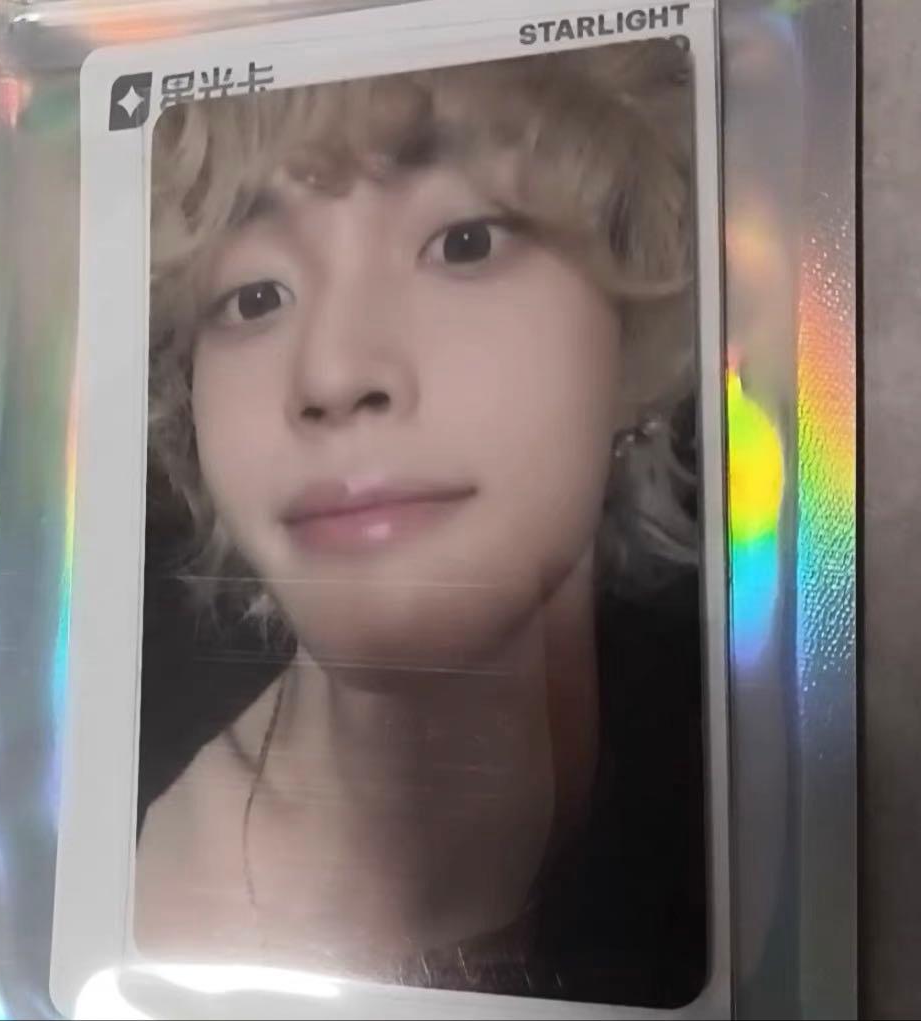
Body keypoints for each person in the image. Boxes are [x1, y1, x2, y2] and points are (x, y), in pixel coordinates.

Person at [136, 39, 706, 1006]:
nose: (333, 371)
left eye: (464, 243)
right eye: (254, 295)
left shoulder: (776, 773)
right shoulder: (100, 869)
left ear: (638, 315)